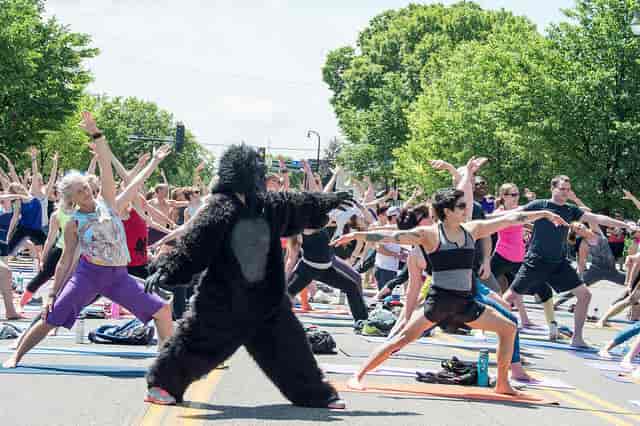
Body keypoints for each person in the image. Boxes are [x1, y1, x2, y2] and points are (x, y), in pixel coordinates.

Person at [331, 157, 568, 395]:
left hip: (466, 302)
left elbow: (510, 219)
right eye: (461, 207)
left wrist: (544, 213)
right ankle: (357, 375)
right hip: (440, 302)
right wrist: (356, 236)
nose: (466, 210)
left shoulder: (472, 230)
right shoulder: (430, 234)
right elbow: (392, 236)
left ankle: (503, 384)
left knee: (508, 328)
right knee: (401, 339)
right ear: (447, 211)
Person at [143, 143, 352, 408]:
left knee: (292, 349)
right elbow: (195, 246)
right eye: (257, 171)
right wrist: (165, 267)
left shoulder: (268, 205)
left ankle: (316, 394)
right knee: (194, 343)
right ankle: (162, 385)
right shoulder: (220, 208)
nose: (261, 176)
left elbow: (299, 204)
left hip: (268, 302)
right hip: (224, 301)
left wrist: (328, 200)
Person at [2, 111, 173, 369]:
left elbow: (106, 165)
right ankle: (17, 354)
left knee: (163, 310)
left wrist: (96, 133)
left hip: (119, 276)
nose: (86, 192)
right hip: (88, 275)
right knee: (51, 317)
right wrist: (52, 293)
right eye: (79, 192)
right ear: (71, 200)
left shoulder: (109, 203)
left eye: (85, 187)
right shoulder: (74, 222)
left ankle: (167, 362)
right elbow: (65, 259)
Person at [502, 175, 637, 348]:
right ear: (553, 189)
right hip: (536, 261)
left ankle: (577, 338)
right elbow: (516, 214)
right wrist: (486, 217)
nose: (565, 192)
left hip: (559, 263)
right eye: (562, 189)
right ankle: (495, 328)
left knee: (585, 295)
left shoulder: (571, 210)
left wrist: (625, 225)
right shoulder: (540, 205)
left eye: (567, 189)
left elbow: (597, 218)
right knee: (509, 297)